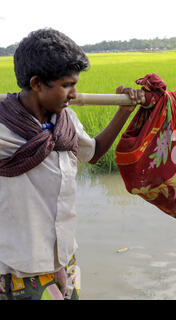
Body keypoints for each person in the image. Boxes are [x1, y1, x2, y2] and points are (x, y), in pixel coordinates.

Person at [0, 28, 143, 300]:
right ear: (37, 83)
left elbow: (95, 152)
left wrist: (124, 111)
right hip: (20, 272)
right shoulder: (3, 130)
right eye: (66, 85)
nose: (74, 94)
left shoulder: (65, 123)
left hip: (65, 260)